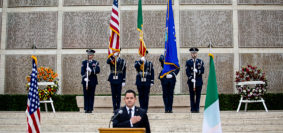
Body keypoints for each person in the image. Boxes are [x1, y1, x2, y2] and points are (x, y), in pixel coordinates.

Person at [81, 49, 100, 113]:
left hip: (92, 80)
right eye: (89, 55)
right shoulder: (84, 62)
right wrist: (84, 77)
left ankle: (90, 109)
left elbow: (98, 70)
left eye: (91, 55)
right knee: (86, 95)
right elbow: (82, 71)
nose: (90, 56)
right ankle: (86, 108)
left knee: (91, 95)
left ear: (93, 55)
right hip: (85, 80)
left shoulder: (96, 62)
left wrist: (91, 70)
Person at [185, 47, 204, 113]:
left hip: (198, 81)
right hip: (191, 81)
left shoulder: (200, 61)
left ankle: (197, 108)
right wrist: (191, 78)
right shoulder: (188, 62)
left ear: (197, 54)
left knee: (198, 96)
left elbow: (202, 71)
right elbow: (187, 71)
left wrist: (197, 71)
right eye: (192, 53)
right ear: (191, 54)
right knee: (192, 96)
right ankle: (192, 109)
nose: (194, 55)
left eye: (195, 53)